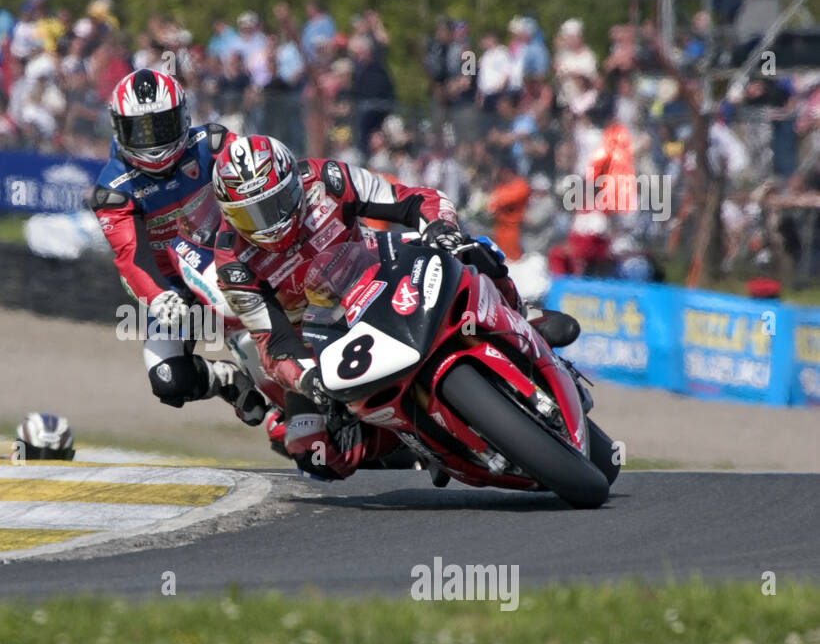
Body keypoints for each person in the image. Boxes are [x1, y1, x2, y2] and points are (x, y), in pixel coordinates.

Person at [210, 135, 579, 480]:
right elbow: (272, 342)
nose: (270, 224)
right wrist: (307, 379)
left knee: (469, 248)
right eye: (252, 216)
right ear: (229, 215)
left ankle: (519, 313)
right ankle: (404, 439)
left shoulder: (327, 179)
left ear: (293, 184)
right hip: (317, 338)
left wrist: (439, 225)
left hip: (382, 269)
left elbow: (412, 199)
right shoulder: (232, 260)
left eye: (275, 204)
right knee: (312, 453)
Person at [85, 68, 263, 420]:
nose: (151, 141)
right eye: (139, 130)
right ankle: (225, 379)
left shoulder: (213, 144)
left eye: (161, 126)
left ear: (182, 117)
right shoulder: (113, 190)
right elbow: (130, 257)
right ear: (119, 129)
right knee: (168, 380)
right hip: (172, 288)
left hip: (232, 255)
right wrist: (158, 297)